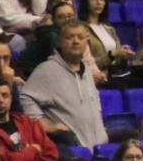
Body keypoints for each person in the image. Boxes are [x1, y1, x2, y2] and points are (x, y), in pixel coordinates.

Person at [21, 20, 106, 148]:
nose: (76, 41)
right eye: (69, 37)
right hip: (72, 150)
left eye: (80, 37)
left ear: (86, 42)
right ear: (60, 42)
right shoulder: (47, 70)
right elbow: (25, 97)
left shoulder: (87, 71)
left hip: (98, 147)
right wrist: (43, 123)